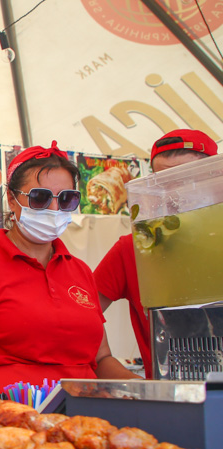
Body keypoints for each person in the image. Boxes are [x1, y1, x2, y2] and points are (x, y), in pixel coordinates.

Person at [0, 141, 139, 399]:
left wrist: (142, 386)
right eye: (40, 198)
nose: (54, 209)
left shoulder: (80, 271)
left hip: (81, 423)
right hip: (7, 429)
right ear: (12, 201)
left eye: (67, 199)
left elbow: (101, 359)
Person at [93, 129, 217, 378]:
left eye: (185, 179)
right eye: (163, 181)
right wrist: (125, 376)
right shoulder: (134, 247)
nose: (173, 194)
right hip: (169, 400)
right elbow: (80, 316)